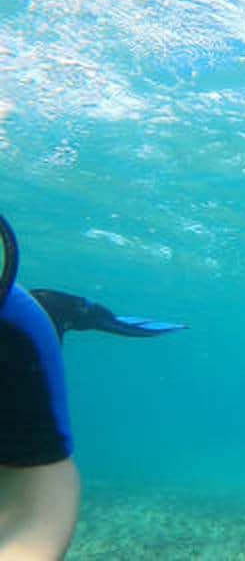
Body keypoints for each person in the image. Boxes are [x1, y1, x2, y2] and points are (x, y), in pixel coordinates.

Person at [0, 214, 185, 559]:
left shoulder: (16, 324)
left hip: (30, 320)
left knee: (39, 314)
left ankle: (75, 312)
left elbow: (39, 482)